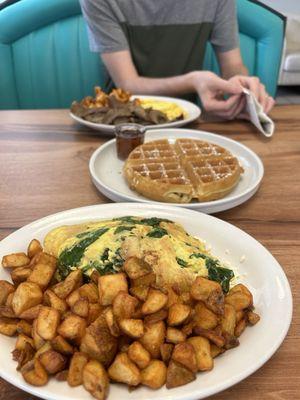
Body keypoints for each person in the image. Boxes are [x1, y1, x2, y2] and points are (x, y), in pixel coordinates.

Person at [79, 0, 275, 120]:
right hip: (120, 121)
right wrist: (193, 81)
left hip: (187, 120)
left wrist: (240, 86)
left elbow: (233, 65)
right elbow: (128, 84)